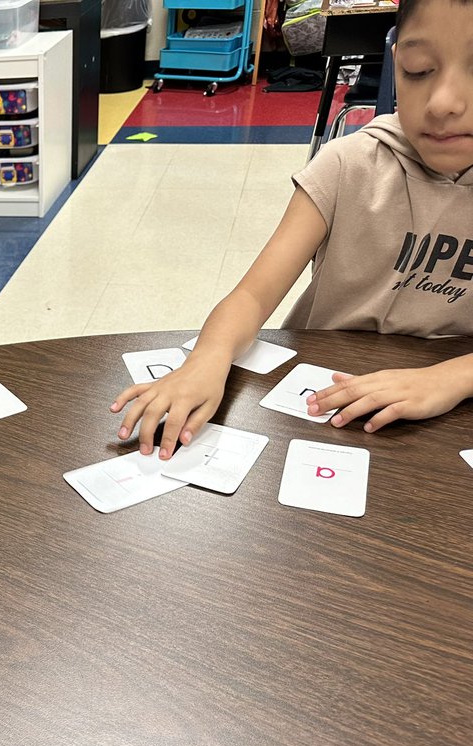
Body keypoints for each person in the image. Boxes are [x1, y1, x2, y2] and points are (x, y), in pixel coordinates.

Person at [112, 0, 473, 460]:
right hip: (322, 397)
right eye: (419, 70)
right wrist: (207, 359)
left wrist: (451, 378)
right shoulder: (348, 164)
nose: (442, 102)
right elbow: (251, 296)